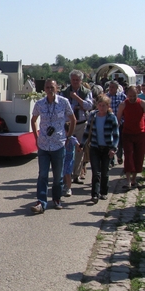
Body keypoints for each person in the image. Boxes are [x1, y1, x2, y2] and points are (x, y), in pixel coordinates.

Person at [30, 79, 76, 213]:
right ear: (44, 89)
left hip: (58, 144)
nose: (50, 89)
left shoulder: (63, 102)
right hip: (43, 144)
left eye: (52, 87)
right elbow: (33, 120)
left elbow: (73, 119)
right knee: (43, 174)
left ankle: (56, 199)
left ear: (56, 88)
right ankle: (41, 202)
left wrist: (68, 136)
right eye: (47, 87)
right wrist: (36, 137)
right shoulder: (39, 104)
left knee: (57, 176)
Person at [82, 95, 119, 202]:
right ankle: (94, 194)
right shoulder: (93, 116)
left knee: (105, 171)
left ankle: (104, 192)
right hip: (95, 147)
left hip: (107, 148)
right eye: (99, 105)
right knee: (96, 172)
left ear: (108, 106)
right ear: (97, 105)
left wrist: (113, 148)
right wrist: (82, 144)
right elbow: (87, 131)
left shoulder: (111, 117)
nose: (101, 107)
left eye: (104, 105)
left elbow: (116, 135)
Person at [61, 70, 93, 184]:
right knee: (67, 150)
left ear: (81, 81)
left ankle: (76, 175)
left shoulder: (86, 92)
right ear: (70, 80)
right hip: (67, 125)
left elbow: (89, 105)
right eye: (73, 80)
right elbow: (62, 107)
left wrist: (77, 98)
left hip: (81, 123)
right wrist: (75, 108)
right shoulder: (64, 92)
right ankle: (67, 174)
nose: (75, 82)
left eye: (77, 80)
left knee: (80, 149)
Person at [116, 86, 145, 188]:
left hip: (140, 133)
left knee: (139, 156)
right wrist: (115, 133)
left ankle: (134, 179)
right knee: (128, 156)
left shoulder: (142, 104)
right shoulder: (123, 105)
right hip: (127, 133)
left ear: (138, 93)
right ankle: (127, 180)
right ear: (127, 94)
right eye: (130, 96)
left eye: (134, 95)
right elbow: (118, 119)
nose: (132, 98)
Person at [107, 81, 126, 166]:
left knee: (119, 141)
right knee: (110, 141)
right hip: (108, 123)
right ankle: (111, 159)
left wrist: (121, 121)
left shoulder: (122, 96)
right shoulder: (106, 97)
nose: (111, 89)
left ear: (116, 88)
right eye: (110, 87)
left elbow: (126, 110)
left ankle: (119, 156)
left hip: (119, 123)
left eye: (113, 87)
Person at [62, 122, 81, 197]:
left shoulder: (72, 139)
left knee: (68, 174)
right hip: (62, 158)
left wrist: (79, 147)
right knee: (63, 174)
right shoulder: (62, 138)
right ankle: (65, 185)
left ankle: (69, 188)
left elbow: (77, 145)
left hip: (69, 159)